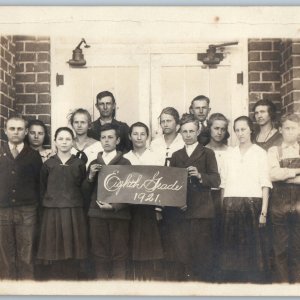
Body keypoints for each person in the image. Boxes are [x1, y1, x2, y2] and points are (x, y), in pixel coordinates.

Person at [164, 114, 220, 281]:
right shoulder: (175, 155)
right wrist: (177, 202)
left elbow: (216, 179)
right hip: (181, 210)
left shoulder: (207, 153)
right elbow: (170, 184)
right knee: (182, 252)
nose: (188, 135)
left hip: (202, 210)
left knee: (201, 252)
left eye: (191, 131)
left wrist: (200, 175)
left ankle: (201, 286)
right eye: (184, 131)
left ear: (198, 132)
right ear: (180, 133)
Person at [221, 116, 272, 283]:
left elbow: (265, 184)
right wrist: (224, 206)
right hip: (231, 204)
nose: (240, 133)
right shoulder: (230, 154)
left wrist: (263, 212)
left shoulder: (260, 153)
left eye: (243, 129)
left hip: (252, 204)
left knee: (252, 248)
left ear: (251, 129)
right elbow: (224, 183)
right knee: (232, 249)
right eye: (237, 130)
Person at [37, 127, 88, 280]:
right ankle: (55, 281)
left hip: (73, 210)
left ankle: (72, 280)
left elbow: (83, 187)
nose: (64, 142)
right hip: (53, 210)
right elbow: (42, 187)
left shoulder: (79, 163)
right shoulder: (48, 164)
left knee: (73, 247)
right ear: (55, 142)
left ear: (73, 142)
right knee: (54, 246)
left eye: (67, 139)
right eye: (61, 139)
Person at [83, 123, 131, 280]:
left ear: (117, 140)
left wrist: (115, 206)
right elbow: (84, 192)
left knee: (119, 255)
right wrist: (90, 176)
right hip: (97, 215)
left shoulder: (125, 163)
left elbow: (130, 193)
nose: (106, 140)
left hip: (119, 215)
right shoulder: (93, 163)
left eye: (110, 137)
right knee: (99, 255)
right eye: (103, 137)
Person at [0, 116, 42, 279]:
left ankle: (26, 291)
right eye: (12, 128)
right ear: (5, 131)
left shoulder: (33, 155)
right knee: (5, 257)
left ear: (26, 132)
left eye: (19, 129)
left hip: (27, 211)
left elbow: (39, 183)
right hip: (2, 211)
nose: (15, 132)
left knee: (26, 255)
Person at [124, 122, 163, 280]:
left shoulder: (155, 157)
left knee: (148, 248)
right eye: (135, 134)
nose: (139, 137)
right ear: (129, 136)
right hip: (129, 208)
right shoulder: (125, 158)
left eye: (142, 134)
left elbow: (162, 185)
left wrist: (158, 209)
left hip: (148, 208)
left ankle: (148, 282)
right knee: (130, 245)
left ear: (147, 137)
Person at [267, 113, 300, 283]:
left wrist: (285, 175)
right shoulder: (274, 150)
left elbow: (280, 174)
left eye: (293, 128)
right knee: (280, 247)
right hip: (279, 204)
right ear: (280, 130)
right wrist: (296, 172)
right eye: (286, 128)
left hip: (299, 204)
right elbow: (272, 174)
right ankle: (282, 287)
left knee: (298, 247)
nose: (290, 132)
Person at [205, 113, 231, 281]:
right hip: (208, 195)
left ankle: (223, 274)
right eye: (216, 128)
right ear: (209, 129)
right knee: (208, 234)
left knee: (225, 233)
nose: (219, 132)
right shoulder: (204, 150)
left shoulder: (231, 151)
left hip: (226, 194)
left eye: (223, 129)